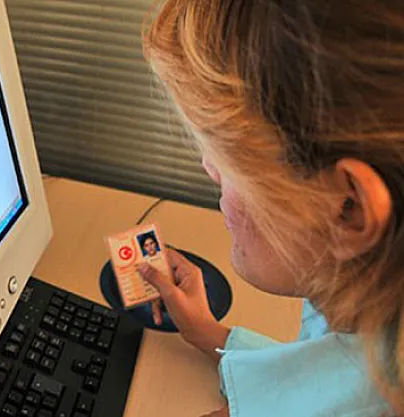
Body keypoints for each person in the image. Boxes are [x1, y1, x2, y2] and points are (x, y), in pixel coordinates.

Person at [138, 1, 404, 416]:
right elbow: (317, 381)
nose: (209, 168)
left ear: (348, 209)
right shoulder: (371, 300)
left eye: (226, 157)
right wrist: (208, 333)